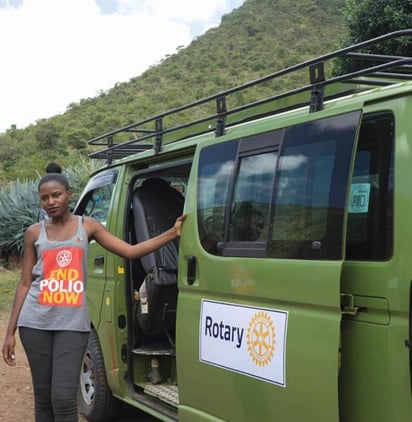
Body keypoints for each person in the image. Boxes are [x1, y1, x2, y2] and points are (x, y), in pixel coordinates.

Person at [2, 168, 186, 422]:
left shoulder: (87, 226)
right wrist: (10, 332)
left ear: (69, 194)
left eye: (56, 195)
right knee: (43, 398)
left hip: (72, 325)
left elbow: (131, 252)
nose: (50, 202)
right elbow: (24, 283)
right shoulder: (34, 232)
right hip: (35, 323)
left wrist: (171, 233)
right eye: (44, 198)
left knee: (64, 399)